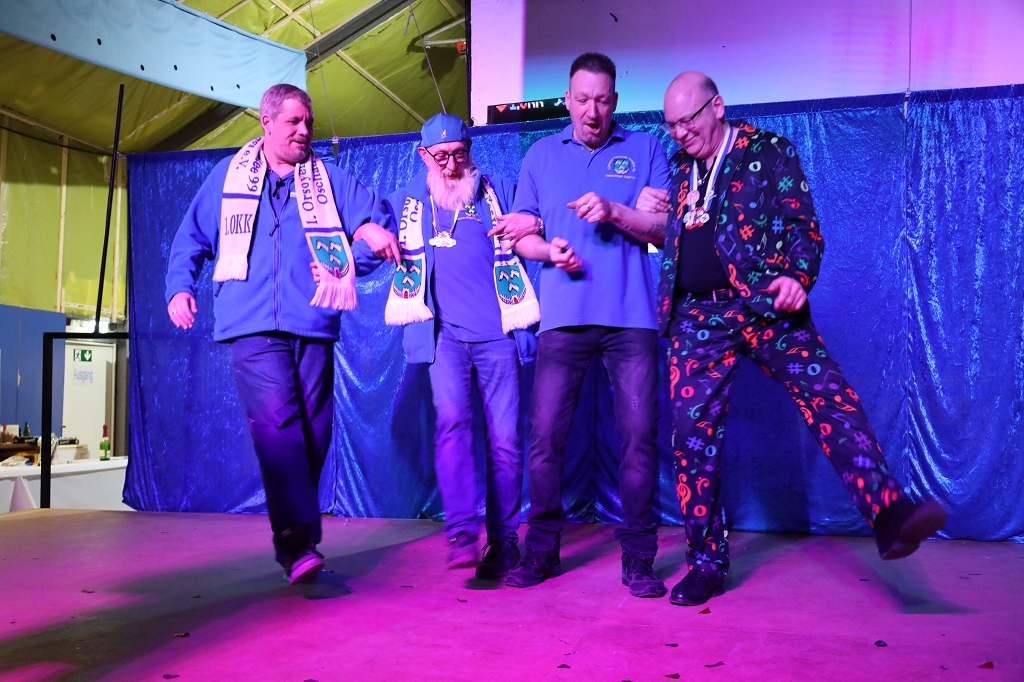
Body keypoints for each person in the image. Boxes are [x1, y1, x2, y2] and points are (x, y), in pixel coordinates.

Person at [638, 71, 947, 606]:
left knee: (830, 396)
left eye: (687, 121)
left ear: (717, 106)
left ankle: (889, 514)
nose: (680, 133)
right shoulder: (680, 167)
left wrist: (796, 277)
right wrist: (655, 217)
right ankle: (705, 562)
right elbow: (681, 235)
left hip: (765, 305)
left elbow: (805, 229)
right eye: (671, 125)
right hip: (696, 318)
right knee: (690, 439)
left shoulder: (770, 151)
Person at [165, 83, 398, 584]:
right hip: (250, 323)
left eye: (308, 122)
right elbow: (191, 238)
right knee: (277, 422)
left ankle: (300, 540)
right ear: (266, 123)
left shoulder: (330, 180)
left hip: (313, 321)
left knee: (314, 432)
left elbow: (378, 228)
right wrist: (179, 288)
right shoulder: (227, 177)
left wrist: (349, 261)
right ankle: (295, 540)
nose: (304, 131)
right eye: (293, 122)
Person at [492, 53, 671, 598]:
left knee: (639, 438)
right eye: (583, 99)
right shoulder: (541, 155)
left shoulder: (645, 149)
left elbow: (664, 230)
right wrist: (550, 252)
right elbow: (522, 237)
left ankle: (639, 557)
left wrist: (616, 211)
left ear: (616, 102)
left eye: (603, 100)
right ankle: (541, 550)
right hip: (563, 320)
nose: (593, 111)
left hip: (630, 320)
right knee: (545, 438)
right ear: (568, 100)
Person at [383, 113, 541, 579]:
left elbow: (537, 224)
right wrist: (340, 265)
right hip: (444, 339)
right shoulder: (408, 201)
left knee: (506, 441)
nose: (452, 166)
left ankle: (504, 541)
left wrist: (539, 224)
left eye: (459, 154)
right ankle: (461, 533)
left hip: (499, 336)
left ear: (470, 150)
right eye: (441, 157)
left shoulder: (497, 192)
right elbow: (375, 243)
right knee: (452, 423)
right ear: (423, 156)